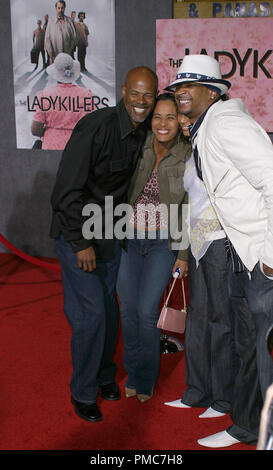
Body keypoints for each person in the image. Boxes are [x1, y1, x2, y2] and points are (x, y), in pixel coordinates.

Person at [165, 53, 273, 447]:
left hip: (257, 256)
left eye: (189, 86)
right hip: (241, 254)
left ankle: (256, 429)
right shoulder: (208, 127)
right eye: (178, 87)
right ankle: (248, 425)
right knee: (250, 344)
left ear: (212, 92)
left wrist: (269, 259)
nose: (181, 93)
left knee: (257, 345)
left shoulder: (225, 122)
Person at [49, 66, 158, 422]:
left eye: (149, 95)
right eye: (136, 94)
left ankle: (104, 376)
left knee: (109, 312)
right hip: (77, 234)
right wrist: (81, 243)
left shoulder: (144, 132)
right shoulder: (96, 127)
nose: (142, 102)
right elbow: (65, 192)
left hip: (110, 234)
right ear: (124, 91)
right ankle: (82, 392)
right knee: (91, 315)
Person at [117, 93, 191, 402]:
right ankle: (132, 372)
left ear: (180, 121)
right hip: (129, 240)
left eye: (170, 117)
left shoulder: (187, 155)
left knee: (147, 313)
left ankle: (145, 379)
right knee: (128, 312)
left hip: (163, 243)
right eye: (157, 116)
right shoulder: (139, 145)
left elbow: (190, 207)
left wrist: (183, 255)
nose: (163, 123)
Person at [164, 112, 236, 419]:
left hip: (219, 241)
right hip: (197, 242)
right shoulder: (191, 147)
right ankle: (196, 391)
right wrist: (186, 249)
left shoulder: (220, 142)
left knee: (221, 321)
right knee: (196, 318)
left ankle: (223, 400)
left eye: (188, 113)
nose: (182, 119)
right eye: (179, 113)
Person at [31, 52, 92, 150]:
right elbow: (91, 127)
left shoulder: (44, 96)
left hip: (51, 147)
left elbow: (35, 130)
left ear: (55, 74)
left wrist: (51, 131)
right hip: (77, 148)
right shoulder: (87, 95)